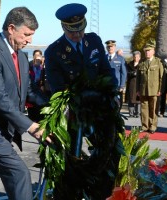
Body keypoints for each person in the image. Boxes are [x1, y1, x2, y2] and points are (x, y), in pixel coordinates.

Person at [0, 7, 51, 200]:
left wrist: (53, 105)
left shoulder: (21, 56)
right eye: (27, 34)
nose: (30, 40)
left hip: (4, 132)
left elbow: (28, 91)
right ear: (11, 28)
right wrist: (30, 126)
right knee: (19, 173)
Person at [45, 3, 118, 199]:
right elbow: (58, 88)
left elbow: (105, 69)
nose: (78, 34)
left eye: (81, 29)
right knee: (72, 158)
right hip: (74, 113)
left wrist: (112, 90)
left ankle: (102, 191)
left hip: (99, 108)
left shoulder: (94, 41)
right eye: (72, 31)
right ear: (63, 27)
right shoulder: (54, 51)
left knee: (109, 151)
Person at [136, 41, 163, 134]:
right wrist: (137, 90)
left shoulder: (158, 62)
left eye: (149, 50)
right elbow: (138, 78)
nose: (147, 52)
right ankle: (144, 126)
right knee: (144, 109)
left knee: (153, 108)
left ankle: (153, 126)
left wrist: (160, 89)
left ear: (153, 51)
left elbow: (161, 77)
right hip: (143, 90)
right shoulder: (142, 62)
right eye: (146, 51)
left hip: (154, 90)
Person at [105, 40, 127, 110]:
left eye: (111, 47)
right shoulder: (103, 58)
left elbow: (123, 73)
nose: (110, 48)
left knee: (117, 105)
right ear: (106, 48)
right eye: (108, 47)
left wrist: (122, 85)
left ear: (115, 47)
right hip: (106, 85)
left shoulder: (120, 59)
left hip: (116, 86)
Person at [126, 50, 141, 117]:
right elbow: (126, 72)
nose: (136, 58)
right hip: (131, 83)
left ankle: (137, 112)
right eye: (135, 56)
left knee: (138, 98)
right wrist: (132, 73)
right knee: (131, 98)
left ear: (139, 57)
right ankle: (131, 112)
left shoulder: (142, 64)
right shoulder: (129, 64)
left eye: (137, 57)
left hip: (139, 83)